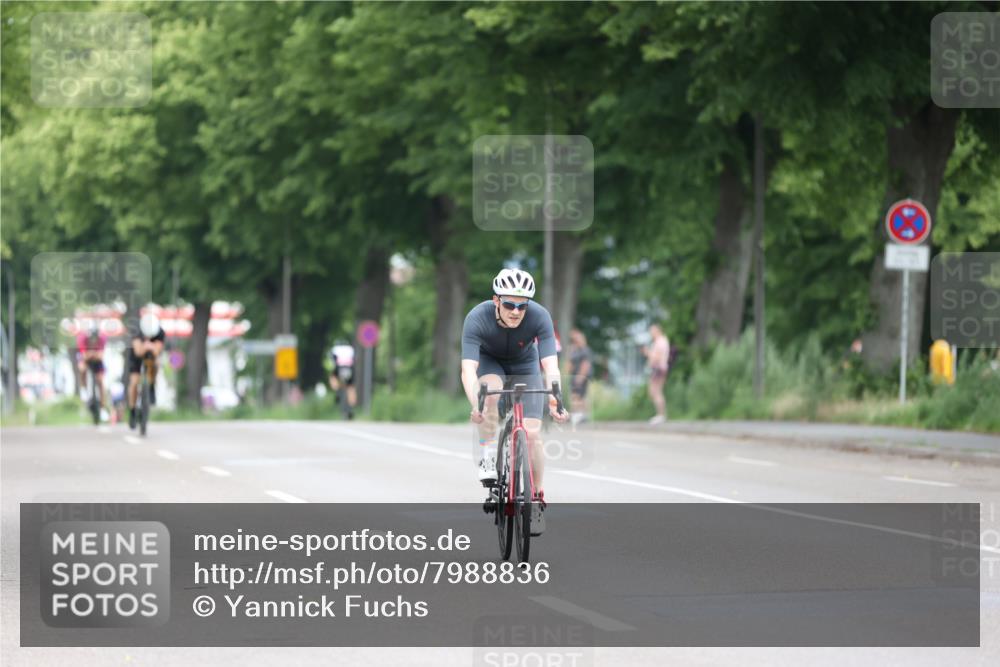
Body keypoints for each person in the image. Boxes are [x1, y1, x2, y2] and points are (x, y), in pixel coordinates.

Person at [461, 268, 568, 535]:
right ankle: (487, 457)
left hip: (525, 364)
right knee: (490, 394)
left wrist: (556, 398)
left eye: (522, 306)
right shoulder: (476, 317)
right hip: (490, 363)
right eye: (509, 304)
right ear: (496, 300)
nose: (516, 311)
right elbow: (468, 370)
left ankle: (537, 499)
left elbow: (550, 366)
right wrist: (476, 403)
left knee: (532, 433)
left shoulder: (540, 316)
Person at [127, 312, 165, 429]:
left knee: (156, 364)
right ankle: (132, 410)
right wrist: (147, 347)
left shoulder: (160, 332)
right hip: (136, 358)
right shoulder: (137, 331)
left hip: (151, 357)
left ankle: (151, 386)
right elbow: (138, 351)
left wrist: (150, 347)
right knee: (134, 382)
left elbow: (157, 350)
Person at [642, 323, 670, 424]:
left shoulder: (660, 342)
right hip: (659, 368)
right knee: (654, 391)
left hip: (658, 369)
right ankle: (661, 414)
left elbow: (656, 358)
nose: (650, 333)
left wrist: (647, 353)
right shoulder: (662, 341)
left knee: (656, 391)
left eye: (651, 331)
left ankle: (661, 415)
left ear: (657, 331)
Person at [76, 322, 108, 409]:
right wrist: (92, 354)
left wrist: (92, 354)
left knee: (100, 381)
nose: (93, 342)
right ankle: (83, 389)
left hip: (97, 359)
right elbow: (84, 356)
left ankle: (102, 407)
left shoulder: (102, 338)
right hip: (86, 357)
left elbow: (100, 356)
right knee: (82, 368)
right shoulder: (82, 338)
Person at [568, 329, 592, 425]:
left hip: (580, 376)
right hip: (574, 376)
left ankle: (579, 415)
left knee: (578, 396)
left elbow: (586, 364)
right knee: (578, 396)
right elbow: (570, 363)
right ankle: (580, 415)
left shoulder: (584, 350)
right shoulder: (575, 350)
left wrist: (580, 377)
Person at [327, 342, 357, 419]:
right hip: (349, 369)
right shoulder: (350, 349)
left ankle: (337, 391)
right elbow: (354, 359)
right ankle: (351, 407)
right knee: (350, 387)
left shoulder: (335, 349)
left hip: (339, 367)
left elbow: (332, 360)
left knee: (332, 377)